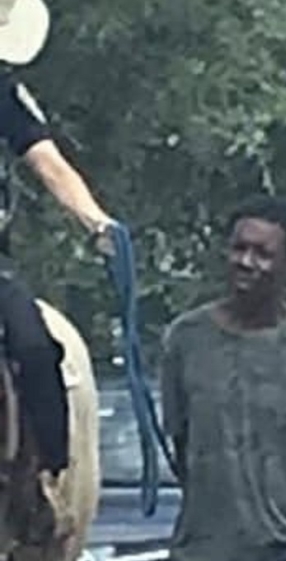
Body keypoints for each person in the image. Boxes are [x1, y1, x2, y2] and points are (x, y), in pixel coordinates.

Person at [159, 194, 286, 561]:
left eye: (263, 253)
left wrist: (283, 515)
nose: (246, 262)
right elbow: (182, 443)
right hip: (201, 550)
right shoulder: (185, 340)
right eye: (239, 248)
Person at [0, 0, 117, 476]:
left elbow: (49, 162)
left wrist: (96, 220)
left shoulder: (3, 96)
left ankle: (45, 480)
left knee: (33, 347)